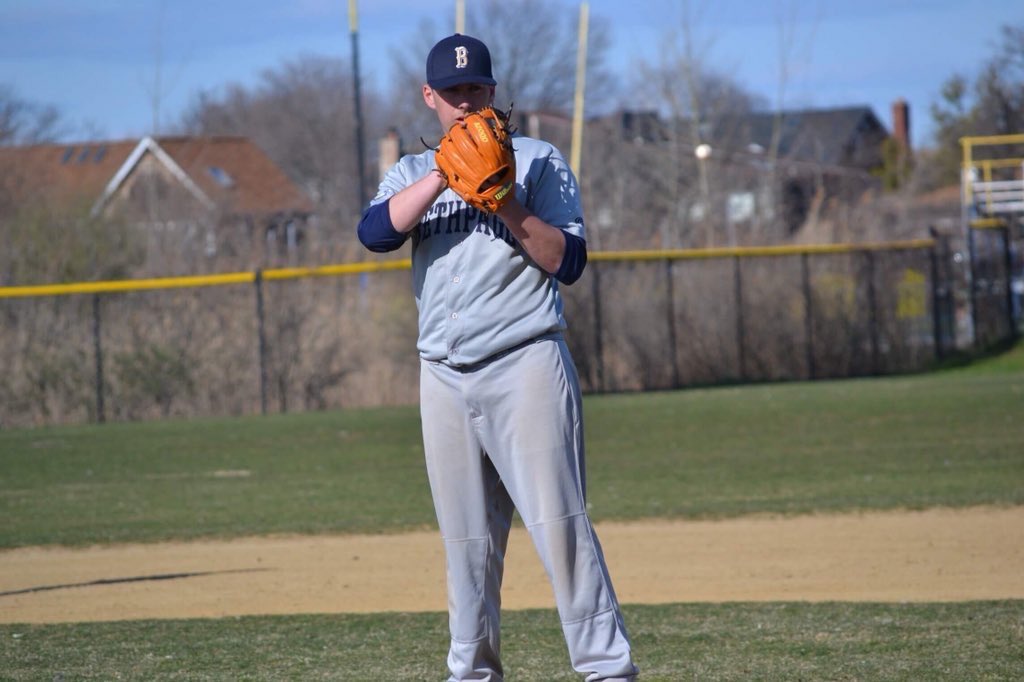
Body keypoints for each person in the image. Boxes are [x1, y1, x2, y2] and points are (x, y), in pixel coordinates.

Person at [357, 33, 638, 682]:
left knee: (560, 530)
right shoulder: (408, 173)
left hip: (525, 365)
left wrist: (503, 200)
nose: (464, 102)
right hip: (444, 379)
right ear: (430, 97)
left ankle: (607, 670)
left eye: (475, 90)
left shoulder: (537, 161)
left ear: (492, 92)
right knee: (467, 550)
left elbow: (567, 262)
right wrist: (441, 173)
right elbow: (374, 233)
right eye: (451, 93)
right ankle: (472, 674)